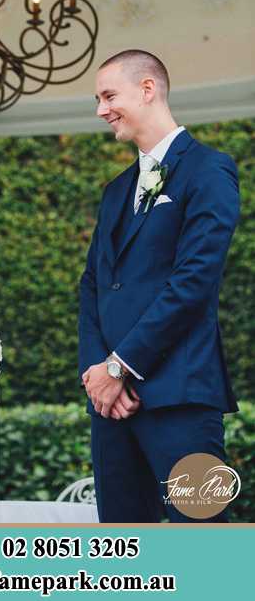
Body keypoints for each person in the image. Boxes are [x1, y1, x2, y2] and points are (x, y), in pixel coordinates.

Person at [78, 50, 240, 522]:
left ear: (147, 89)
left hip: (180, 394)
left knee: (205, 541)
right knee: (125, 549)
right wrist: (98, 374)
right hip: (110, 405)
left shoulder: (209, 170)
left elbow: (195, 281)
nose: (101, 110)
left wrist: (120, 366)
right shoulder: (115, 190)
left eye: (109, 96)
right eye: (98, 99)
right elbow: (93, 285)